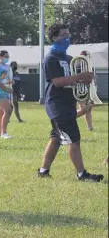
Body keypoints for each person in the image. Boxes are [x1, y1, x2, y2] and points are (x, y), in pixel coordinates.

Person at [37, 23, 103, 182]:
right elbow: (58, 81)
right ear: (54, 37)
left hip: (68, 102)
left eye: (68, 34)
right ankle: (82, 174)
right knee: (73, 138)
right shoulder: (50, 59)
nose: (67, 38)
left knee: (56, 138)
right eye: (63, 35)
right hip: (56, 103)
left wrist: (87, 79)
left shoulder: (69, 58)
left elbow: (74, 81)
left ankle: (43, 171)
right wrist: (79, 77)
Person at [0, 50, 14, 139]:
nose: (7, 58)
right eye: (6, 56)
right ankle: (4, 133)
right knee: (8, 111)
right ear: (0, 57)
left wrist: (11, 82)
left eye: (8, 57)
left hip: (4, 91)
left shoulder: (7, 67)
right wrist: (6, 89)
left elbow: (4, 79)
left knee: (1, 113)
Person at [76, 50, 94, 131]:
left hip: (88, 89)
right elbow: (75, 78)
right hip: (80, 89)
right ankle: (67, 119)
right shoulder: (77, 66)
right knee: (84, 108)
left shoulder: (89, 66)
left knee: (89, 109)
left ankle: (90, 127)